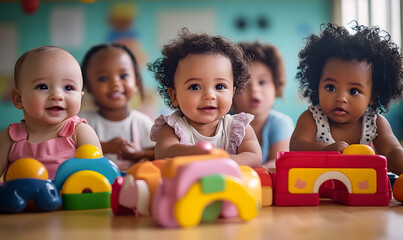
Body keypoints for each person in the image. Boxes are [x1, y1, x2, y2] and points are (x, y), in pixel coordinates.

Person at [290, 22, 403, 175]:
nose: (341, 98)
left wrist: (398, 158)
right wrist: (326, 149)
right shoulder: (312, 119)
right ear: (317, 85)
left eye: (354, 91)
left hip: (361, 188)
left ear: (373, 96)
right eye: (331, 87)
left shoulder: (374, 123)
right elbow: (296, 145)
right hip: (322, 186)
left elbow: (391, 151)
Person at [148, 29, 262, 167]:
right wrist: (197, 153)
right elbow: (164, 152)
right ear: (174, 95)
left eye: (219, 86)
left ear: (232, 93)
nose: (209, 95)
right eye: (195, 87)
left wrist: (219, 162)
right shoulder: (173, 128)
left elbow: (254, 158)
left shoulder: (238, 128)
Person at [0, 46, 102, 180]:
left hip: (71, 200)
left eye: (68, 87)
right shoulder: (9, 138)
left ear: (80, 97)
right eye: (43, 86)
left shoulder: (79, 132)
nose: (57, 95)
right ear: (18, 99)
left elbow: (98, 177)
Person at [80, 43, 155, 170]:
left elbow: (158, 152)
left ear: (136, 83)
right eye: (103, 78)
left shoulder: (142, 122)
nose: (115, 83)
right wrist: (106, 147)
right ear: (88, 86)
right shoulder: (82, 122)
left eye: (123, 76)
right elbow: (70, 150)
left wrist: (138, 154)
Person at [232, 42, 294, 168]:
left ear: (276, 86)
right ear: (231, 90)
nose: (254, 89)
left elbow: (279, 164)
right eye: (244, 84)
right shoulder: (221, 122)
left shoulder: (281, 123)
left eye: (262, 82)